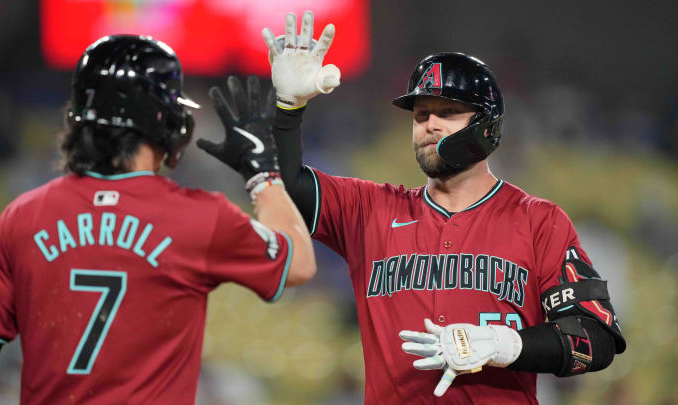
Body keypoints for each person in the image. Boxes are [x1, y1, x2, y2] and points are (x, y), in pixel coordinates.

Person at [261, 11, 626, 404]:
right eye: (420, 115)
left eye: (447, 112)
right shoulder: (370, 209)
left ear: (487, 125)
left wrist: (507, 345)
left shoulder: (539, 220)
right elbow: (284, 186)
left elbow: (596, 337)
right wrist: (287, 110)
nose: (429, 125)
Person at [0, 34, 315, 404]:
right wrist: (262, 174)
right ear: (164, 119)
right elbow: (299, 264)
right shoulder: (199, 216)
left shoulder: (23, 216)